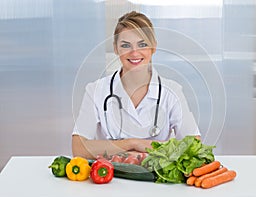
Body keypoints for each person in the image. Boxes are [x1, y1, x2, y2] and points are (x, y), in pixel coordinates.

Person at [72, 11, 200, 159]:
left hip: (157, 181)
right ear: (115, 48)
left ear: (153, 47)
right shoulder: (96, 90)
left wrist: (138, 145)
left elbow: (194, 146)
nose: (134, 52)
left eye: (142, 44)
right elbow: (79, 148)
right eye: (126, 45)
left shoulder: (172, 91)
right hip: (109, 179)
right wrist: (130, 143)